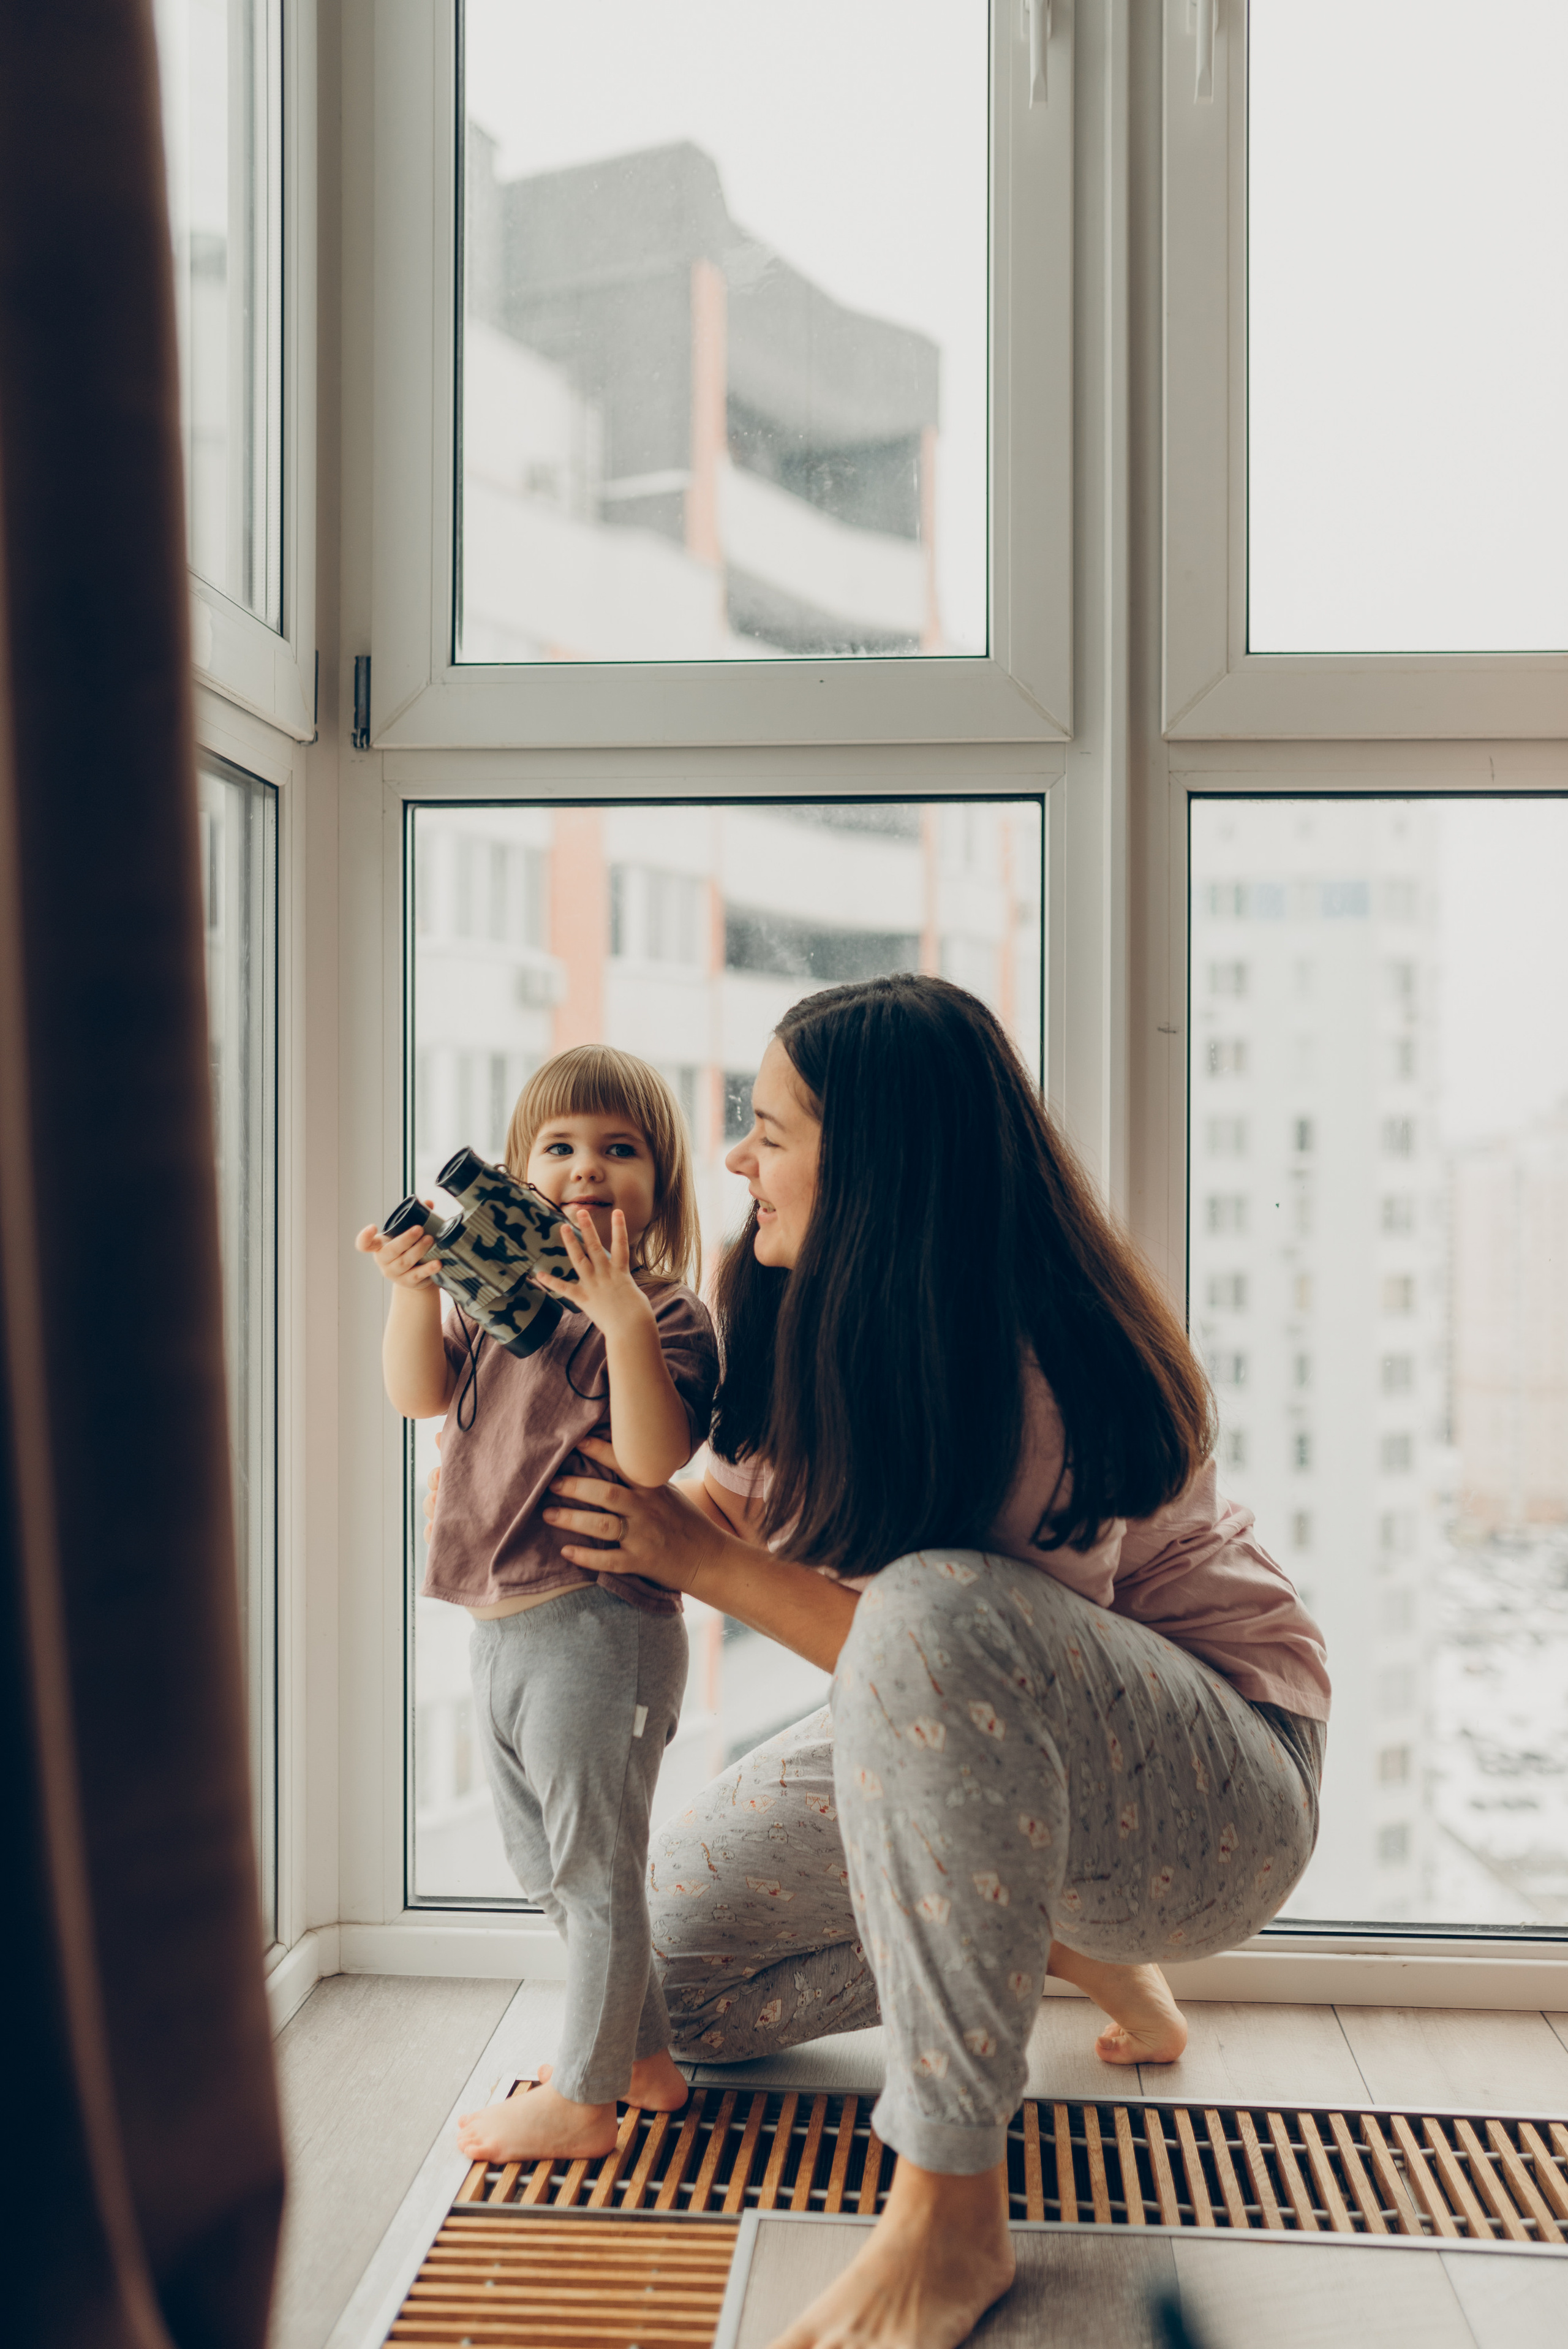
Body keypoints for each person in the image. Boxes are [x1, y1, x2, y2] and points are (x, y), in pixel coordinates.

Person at [528, 977, 1330, 2349]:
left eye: (772, 1130)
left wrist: (701, 1562)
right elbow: (728, 1509)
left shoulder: (1039, 1357)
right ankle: (1069, 1947)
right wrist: (582, 1505)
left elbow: (956, 1655)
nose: (736, 1157)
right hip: (983, 1753)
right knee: (679, 1984)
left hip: (1215, 1801)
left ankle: (950, 2208)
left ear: (878, 1162)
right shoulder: (805, 1305)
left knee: (931, 1606)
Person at [356, 1046, 718, 2164]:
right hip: (502, 1627)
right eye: (558, 1148)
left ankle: (584, 2100)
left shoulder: (667, 1314)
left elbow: (655, 1459)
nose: (587, 1168)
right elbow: (417, 1393)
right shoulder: (494, 1303)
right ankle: (643, 2061)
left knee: (594, 1871)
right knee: (551, 1869)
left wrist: (619, 1318)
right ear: (515, 1179)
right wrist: (417, 1289)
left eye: (620, 1149)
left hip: (602, 1624)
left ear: (661, 1185)